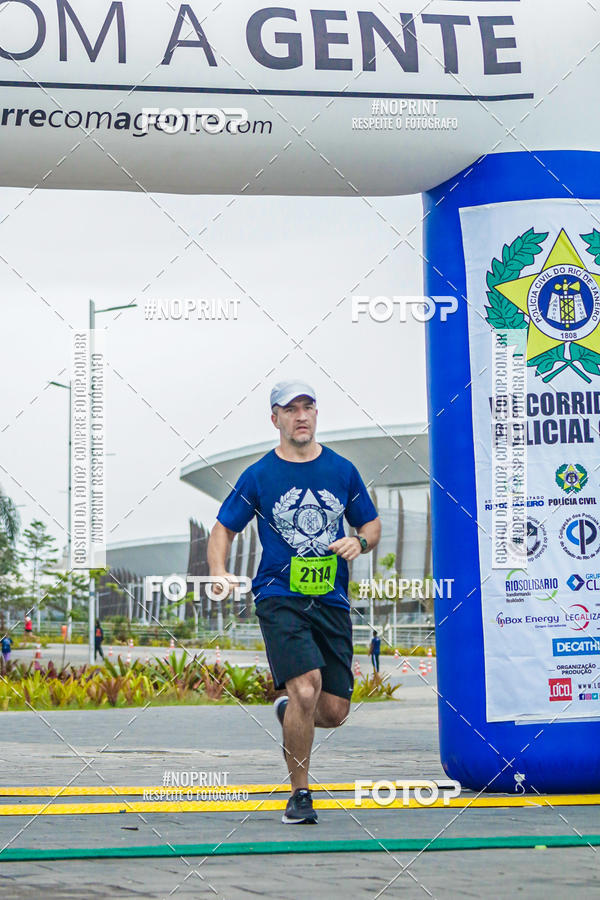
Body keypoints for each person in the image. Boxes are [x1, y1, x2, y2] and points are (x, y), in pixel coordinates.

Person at [207, 380, 381, 825]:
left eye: (308, 407)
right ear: (275, 419)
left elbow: (372, 524)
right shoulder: (261, 474)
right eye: (290, 409)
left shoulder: (342, 470)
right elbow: (223, 528)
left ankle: (290, 712)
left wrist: (358, 541)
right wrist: (219, 572)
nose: (301, 415)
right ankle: (300, 795)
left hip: (332, 600)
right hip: (280, 595)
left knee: (333, 710)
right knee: (305, 685)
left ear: (316, 415)